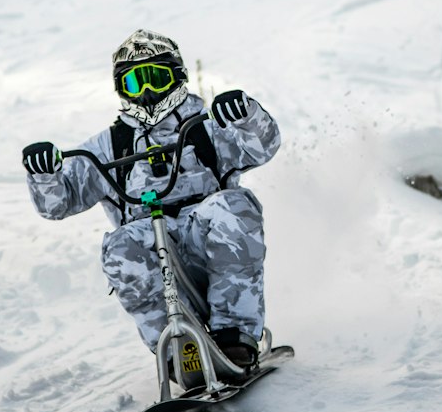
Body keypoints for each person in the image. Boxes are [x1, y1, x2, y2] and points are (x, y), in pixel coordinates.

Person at [21, 29, 280, 368]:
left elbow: (264, 146)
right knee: (119, 245)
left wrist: (245, 116)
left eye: (155, 79)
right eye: (134, 83)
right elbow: (57, 204)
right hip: (155, 253)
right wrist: (44, 174)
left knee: (229, 207)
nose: (145, 93)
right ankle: (179, 350)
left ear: (176, 78)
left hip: (211, 243)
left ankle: (235, 337)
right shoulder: (108, 146)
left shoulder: (206, 126)